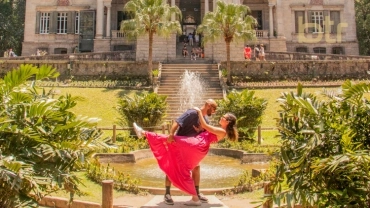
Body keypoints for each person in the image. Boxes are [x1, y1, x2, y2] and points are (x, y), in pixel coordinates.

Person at [133, 107, 238, 206]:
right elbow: (208, 134)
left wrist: (199, 112)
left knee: (171, 140)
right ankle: (195, 198)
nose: (221, 118)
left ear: (227, 122)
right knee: (183, 168)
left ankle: (143, 133)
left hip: (196, 145)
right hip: (198, 146)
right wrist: (199, 132)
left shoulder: (222, 131)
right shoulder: (221, 130)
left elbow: (206, 126)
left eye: (223, 117)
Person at [163, 99, 217, 205]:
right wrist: (171, 134)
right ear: (209, 106)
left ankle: (196, 192)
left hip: (191, 148)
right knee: (172, 167)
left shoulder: (205, 120)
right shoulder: (192, 113)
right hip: (179, 144)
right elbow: (177, 122)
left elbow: (205, 134)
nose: (214, 111)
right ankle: (167, 193)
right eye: (214, 108)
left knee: (196, 167)